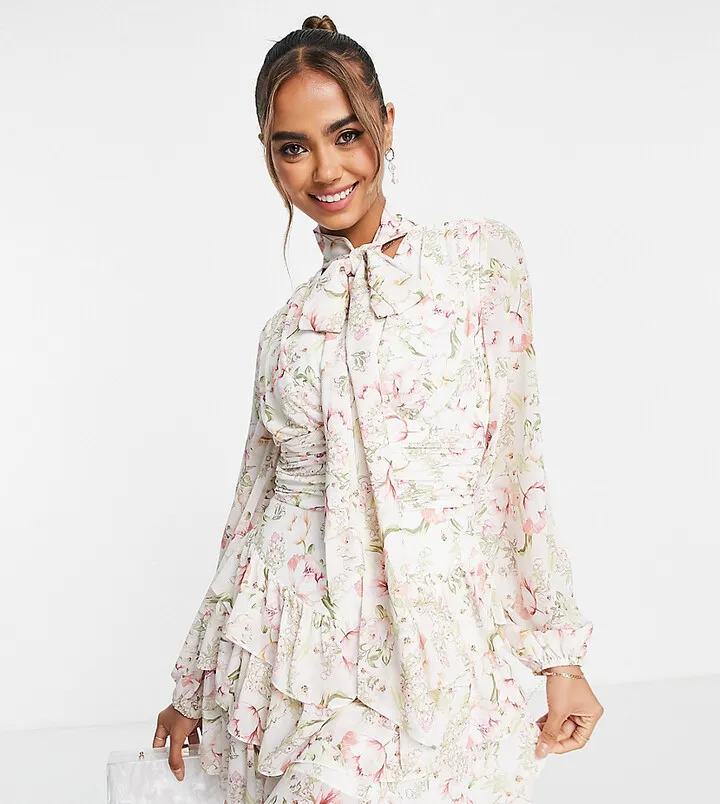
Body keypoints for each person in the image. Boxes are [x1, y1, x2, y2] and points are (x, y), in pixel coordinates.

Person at [153, 13, 604, 804]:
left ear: (387, 125)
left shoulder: (476, 263)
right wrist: (191, 684)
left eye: (346, 134)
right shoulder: (285, 331)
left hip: (441, 649)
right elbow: (253, 506)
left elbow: (515, 473)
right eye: (293, 147)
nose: (325, 169)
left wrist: (560, 658)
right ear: (269, 157)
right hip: (295, 656)